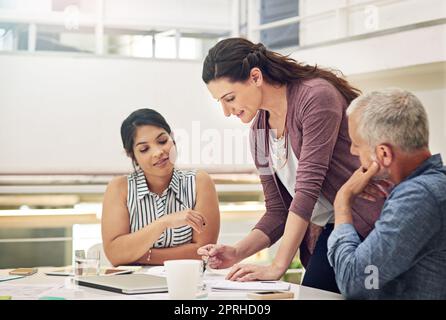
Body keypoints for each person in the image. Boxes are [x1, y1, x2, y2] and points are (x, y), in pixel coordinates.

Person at [197, 37, 386, 293]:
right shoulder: (259, 133)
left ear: (255, 77)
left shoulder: (316, 97)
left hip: (369, 222)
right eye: (219, 101)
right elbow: (277, 210)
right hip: (330, 229)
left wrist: (278, 266)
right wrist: (237, 252)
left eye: (229, 98)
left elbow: (306, 191)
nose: (226, 111)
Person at [327, 88, 446, 299]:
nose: (353, 151)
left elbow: (356, 281)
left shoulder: (418, 197)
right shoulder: (431, 187)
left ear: (383, 153)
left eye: (356, 143)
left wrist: (343, 203)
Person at [102, 108, 220, 267]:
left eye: (163, 141)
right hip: (135, 287)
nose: (158, 152)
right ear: (132, 156)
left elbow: (202, 252)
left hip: (187, 282)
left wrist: (140, 255)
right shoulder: (120, 188)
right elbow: (115, 254)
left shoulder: (199, 182)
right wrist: (164, 223)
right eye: (144, 149)